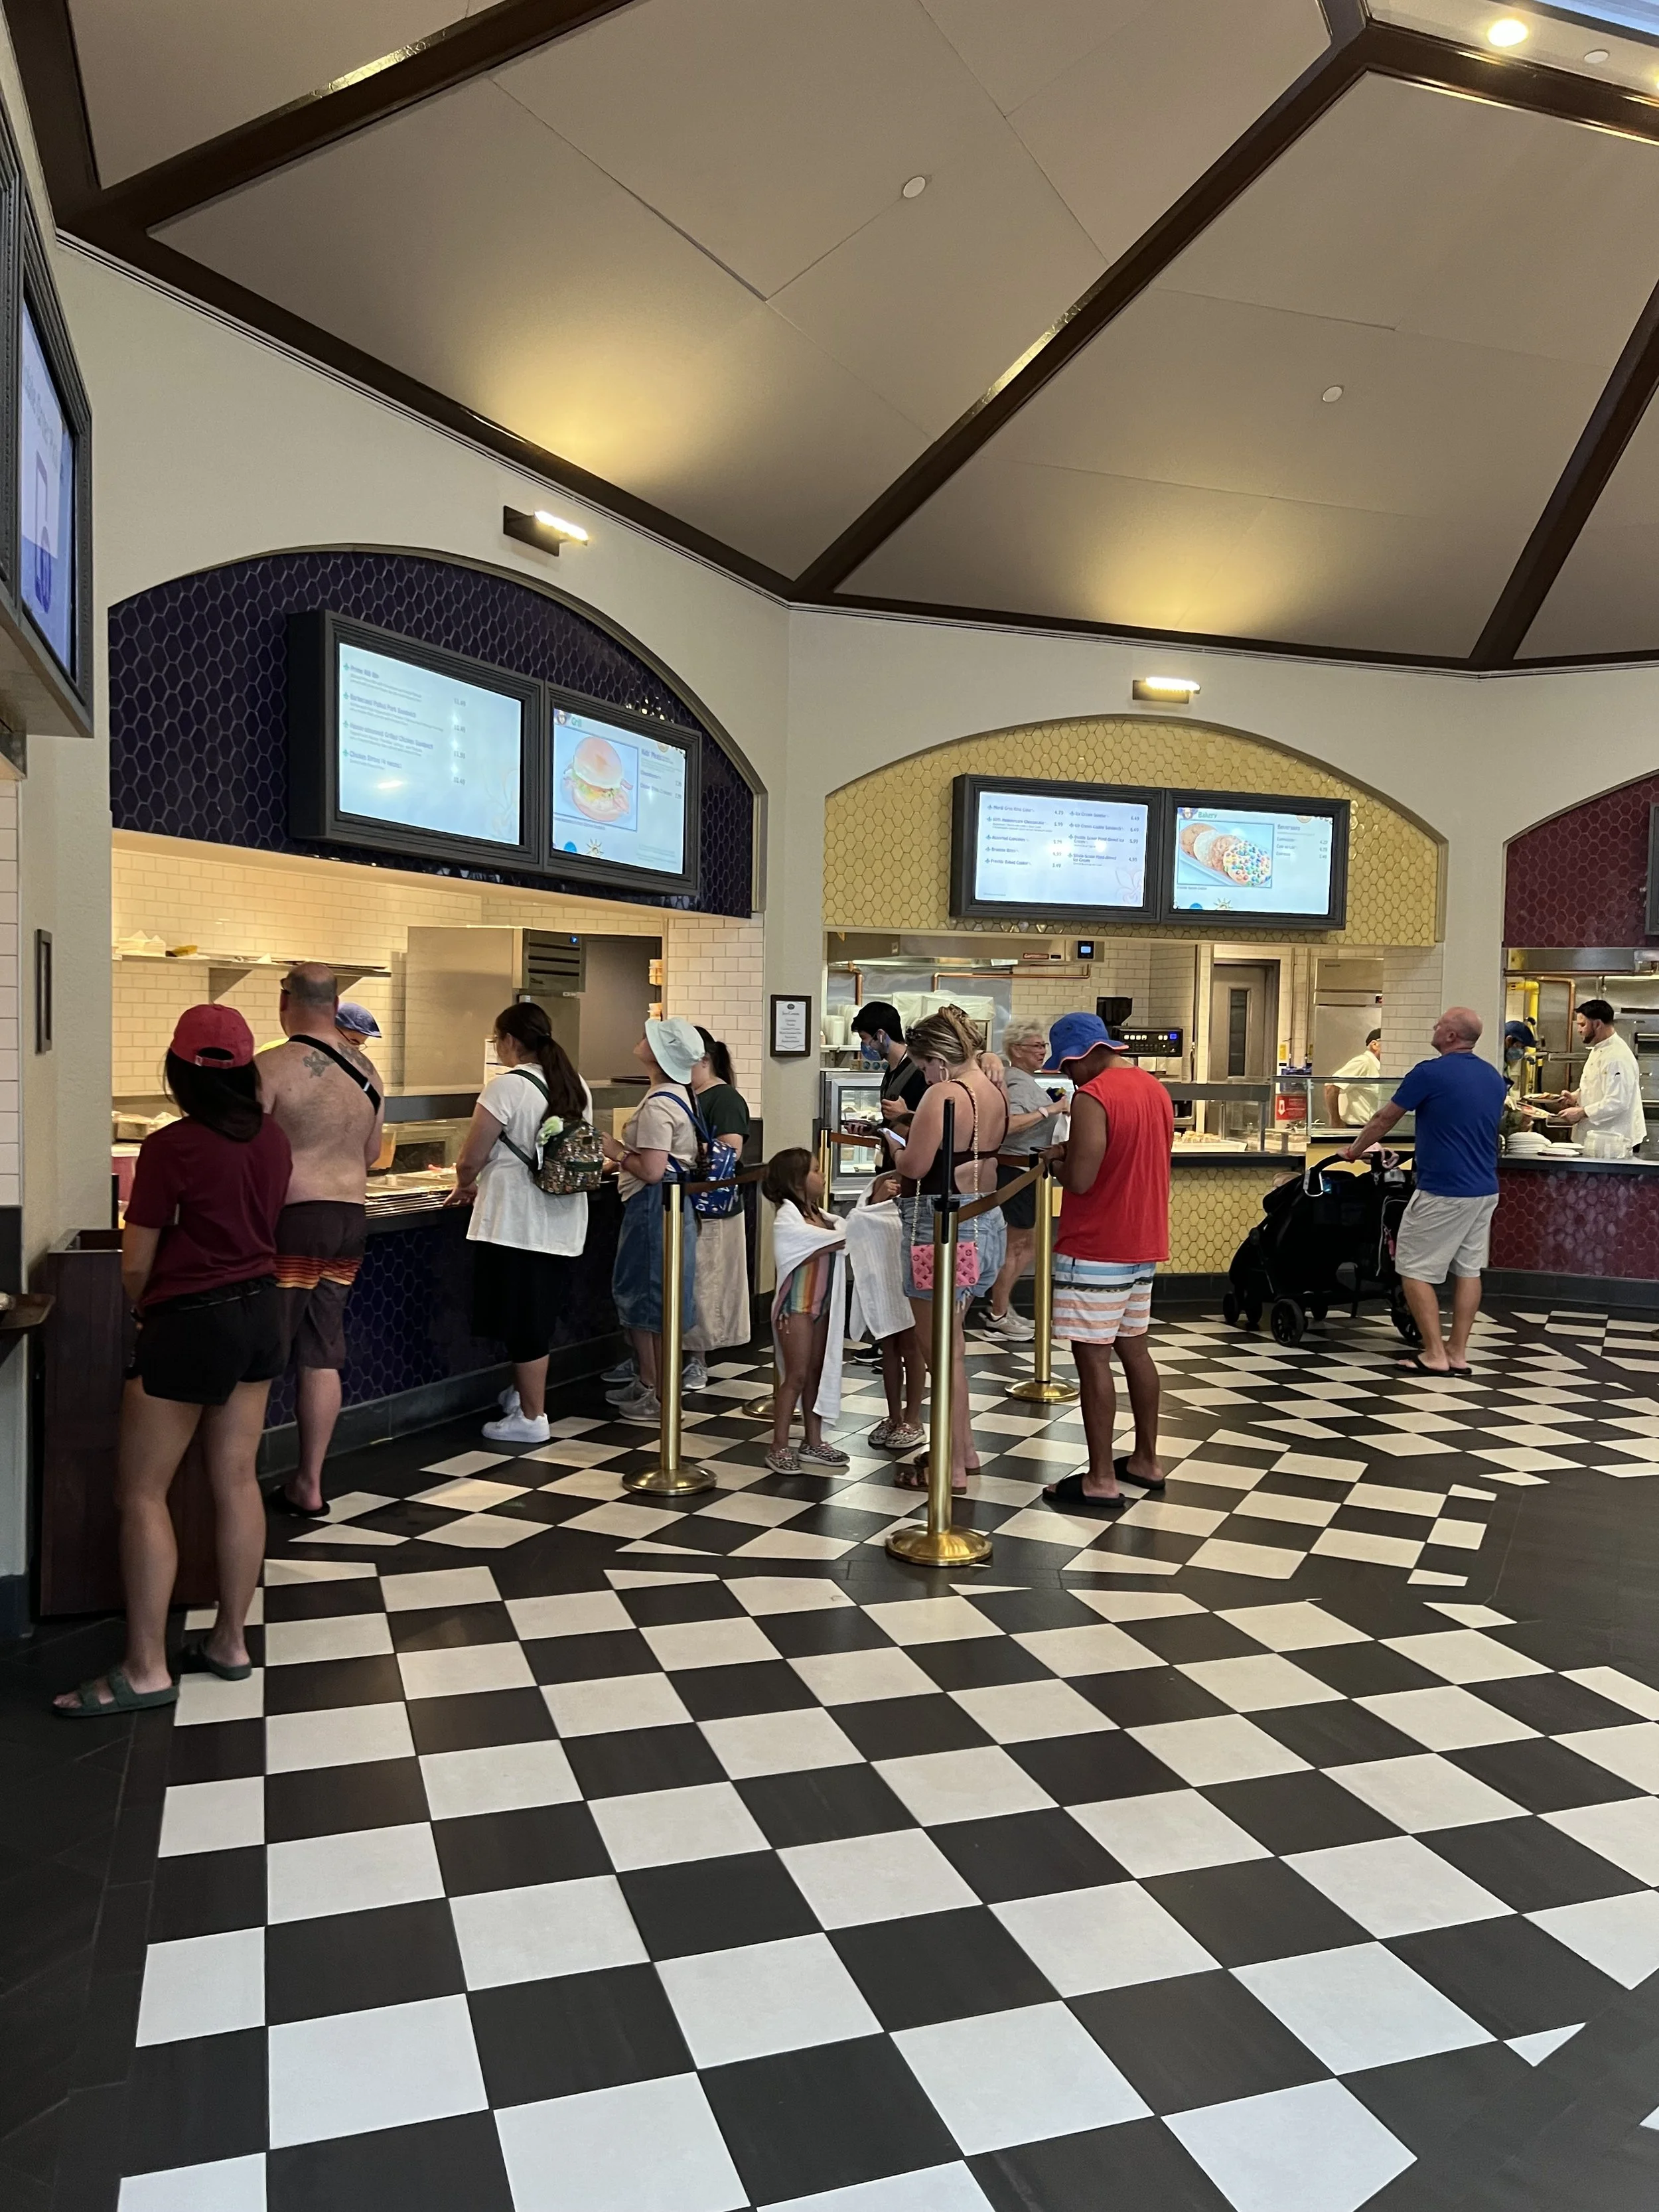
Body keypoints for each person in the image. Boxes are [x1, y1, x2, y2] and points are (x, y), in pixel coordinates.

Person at [56, 1008, 291, 1715]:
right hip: (260, 1311)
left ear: (179, 1070)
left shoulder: (171, 1147)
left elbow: (136, 1263)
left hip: (190, 1320)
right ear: (248, 1069)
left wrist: (141, 1309)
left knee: (142, 1492)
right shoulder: (273, 1141)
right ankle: (229, 1642)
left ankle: (147, 1667)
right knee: (237, 1479)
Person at [255, 964, 384, 1515]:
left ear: (286, 1001)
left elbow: (248, 1153)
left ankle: (235, 1481)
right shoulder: (368, 1072)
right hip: (349, 1218)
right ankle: (310, 1482)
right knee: (322, 1348)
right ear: (336, 1006)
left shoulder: (271, 1066)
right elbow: (373, 1154)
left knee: (264, 1349)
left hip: (292, 1220)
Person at [1038, 1013, 1173, 1514]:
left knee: (1092, 1356)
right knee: (1134, 1350)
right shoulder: (1153, 1088)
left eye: (1067, 1065)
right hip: (1144, 1239)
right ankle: (1146, 1460)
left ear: (1084, 1053)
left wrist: (1056, 1163)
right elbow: (1124, 1152)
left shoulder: (1094, 1096)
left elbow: (1082, 1179)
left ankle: (1098, 1478)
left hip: (1096, 1244)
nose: (1066, 1075)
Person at [446, 1003, 593, 1445]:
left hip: (515, 1220)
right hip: (563, 1217)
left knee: (524, 1321)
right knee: (537, 1315)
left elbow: (472, 1156)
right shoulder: (575, 1082)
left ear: (509, 1040)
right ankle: (523, 1396)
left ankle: (533, 1416)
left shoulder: (505, 1087)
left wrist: (463, 1182)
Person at [881, 1007, 1008, 1493]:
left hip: (937, 1222)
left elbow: (914, 1166)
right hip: (984, 1214)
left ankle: (952, 1467)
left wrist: (894, 1143)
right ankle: (966, 1448)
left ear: (937, 1058)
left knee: (940, 1351)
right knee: (953, 1345)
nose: (925, 1075)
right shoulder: (992, 1088)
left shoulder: (944, 1092)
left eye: (924, 1065)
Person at [1340, 1006, 1507, 1377]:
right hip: (1484, 1189)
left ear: (1450, 1036)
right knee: (1468, 1271)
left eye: (1439, 1024)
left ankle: (1433, 1353)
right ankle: (1458, 1352)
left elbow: (1385, 1117)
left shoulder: (1430, 1073)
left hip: (1444, 1190)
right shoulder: (1493, 1076)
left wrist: (1354, 1151)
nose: (1434, 1027)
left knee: (1413, 1268)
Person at [599, 1017, 703, 1426]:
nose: (641, 1040)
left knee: (645, 1295)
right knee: (664, 1297)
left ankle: (652, 1388)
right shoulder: (680, 1094)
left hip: (652, 1206)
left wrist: (617, 1150)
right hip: (674, 1208)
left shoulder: (660, 1103)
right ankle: (658, 1385)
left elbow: (654, 1169)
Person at [763, 1147, 851, 1475]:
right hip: (796, 1308)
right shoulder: (789, 1218)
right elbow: (804, 1244)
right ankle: (779, 1445)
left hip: (822, 1305)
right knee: (796, 1376)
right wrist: (841, 1236)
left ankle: (813, 1441)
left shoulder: (823, 1217)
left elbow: (838, 1236)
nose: (822, 1175)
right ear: (798, 1181)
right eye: (816, 1170)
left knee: (816, 1372)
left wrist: (841, 1234)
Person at [979, 1019, 1063, 1340]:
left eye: (1044, 1046)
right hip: (1013, 1170)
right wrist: (1050, 1110)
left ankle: (1002, 1307)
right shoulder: (1015, 1079)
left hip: (1027, 1172)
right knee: (1015, 1245)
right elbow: (1007, 1124)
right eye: (1036, 1046)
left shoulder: (1026, 1080)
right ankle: (997, 1312)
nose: (1042, 1051)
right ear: (1016, 1050)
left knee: (1027, 1244)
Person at [682, 1026, 752, 1392]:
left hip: (714, 1207)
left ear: (704, 1060)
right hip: (689, 1204)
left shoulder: (722, 1099)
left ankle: (698, 1360)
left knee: (706, 1284)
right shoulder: (687, 1096)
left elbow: (730, 1151)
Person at [845, 1170, 926, 1453]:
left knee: (912, 1347)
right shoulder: (884, 1181)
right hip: (885, 1279)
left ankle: (913, 1419)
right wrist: (878, 1198)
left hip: (914, 1274)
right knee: (889, 1348)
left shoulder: (927, 1176)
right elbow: (862, 1217)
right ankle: (894, 1416)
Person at [1559, 998, 1646, 1151]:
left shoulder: (1618, 1056)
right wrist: (1575, 1097)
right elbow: (1598, 1084)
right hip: (1597, 1138)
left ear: (1598, 1024)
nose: (1579, 1030)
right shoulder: (1599, 1048)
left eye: (1582, 1025)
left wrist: (1582, 1112)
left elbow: (1618, 1101)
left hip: (1614, 1141)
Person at [853, 1001, 928, 1129]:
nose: (864, 1045)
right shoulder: (891, 1071)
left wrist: (906, 1115)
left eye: (864, 1038)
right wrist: (873, 1129)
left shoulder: (920, 1071)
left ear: (880, 1035)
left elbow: (935, 1123)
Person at [1323, 1029, 1385, 1128]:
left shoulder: (1381, 1067)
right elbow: (1331, 1087)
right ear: (1375, 1045)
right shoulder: (1363, 1062)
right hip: (1359, 1129)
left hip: (1375, 1128)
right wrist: (1336, 1122)